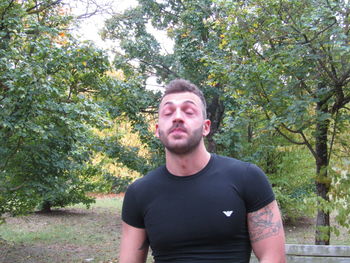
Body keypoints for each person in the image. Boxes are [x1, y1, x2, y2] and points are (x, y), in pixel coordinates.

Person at [118, 79, 286, 263]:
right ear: (158, 130)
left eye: (189, 112)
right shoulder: (139, 193)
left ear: (206, 127)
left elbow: (273, 257)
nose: (177, 117)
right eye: (168, 113)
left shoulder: (247, 178)